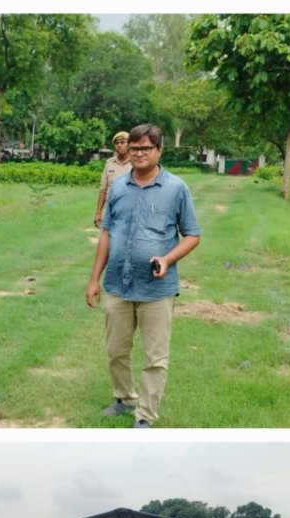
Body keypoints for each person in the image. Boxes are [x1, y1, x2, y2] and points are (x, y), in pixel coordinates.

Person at [85, 124, 201, 428]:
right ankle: (124, 399)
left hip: (156, 289)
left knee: (155, 357)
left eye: (145, 148)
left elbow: (192, 235)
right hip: (117, 285)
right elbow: (107, 233)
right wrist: (94, 279)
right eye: (134, 148)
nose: (138, 153)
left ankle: (146, 417)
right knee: (116, 350)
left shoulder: (176, 188)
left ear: (159, 151)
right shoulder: (119, 186)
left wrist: (167, 258)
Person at [94, 131, 132, 228]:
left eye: (122, 142)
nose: (119, 145)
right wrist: (98, 212)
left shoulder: (135, 163)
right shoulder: (109, 163)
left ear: (129, 144)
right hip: (110, 211)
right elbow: (103, 190)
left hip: (130, 212)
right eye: (116, 143)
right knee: (107, 239)